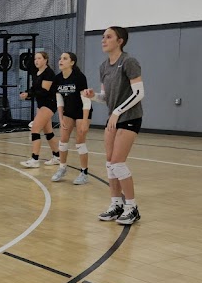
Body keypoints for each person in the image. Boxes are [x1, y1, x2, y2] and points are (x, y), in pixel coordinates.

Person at [83, 26, 144, 225]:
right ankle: (116, 204)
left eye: (108, 37)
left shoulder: (129, 62)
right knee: (110, 163)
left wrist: (118, 112)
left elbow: (139, 93)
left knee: (118, 162)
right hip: (114, 118)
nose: (103, 40)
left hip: (130, 117)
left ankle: (132, 208)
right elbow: (106, 97)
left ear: (120, 41)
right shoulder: (104, 67)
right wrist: (94, 96)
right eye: (103, 37)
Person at [51, 52, 92, 184]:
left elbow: (86, 100)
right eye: (60, 58)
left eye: (65, 58)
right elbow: (59, 100)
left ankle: (84, 173)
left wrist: (85, 121)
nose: (61, 60)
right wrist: (61, 118)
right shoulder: (57, 79)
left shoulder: (79, 77)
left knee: (79, 142)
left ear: (72, 62)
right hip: (68, 112)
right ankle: (62, 168)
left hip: (81, 111)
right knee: (63, 141)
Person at [19, 52, 60, 168]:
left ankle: (34, 159)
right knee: (48, 132)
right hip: (41, 104)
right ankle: (57, 156)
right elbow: (34, 88)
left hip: (49, 103)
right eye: (35, 59)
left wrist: (29, 94)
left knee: (35, 129)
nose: (36, 61)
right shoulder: (36, 73)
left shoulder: (49, 73)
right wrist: (27, 93)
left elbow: (44, 91)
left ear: (45, 60)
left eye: (39, 58)